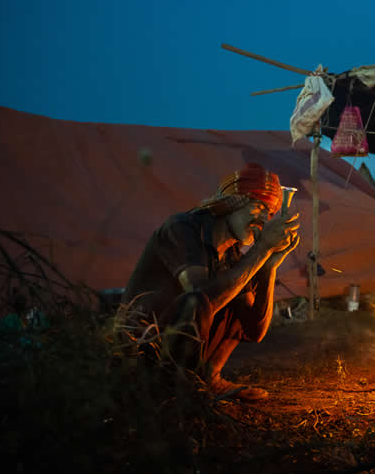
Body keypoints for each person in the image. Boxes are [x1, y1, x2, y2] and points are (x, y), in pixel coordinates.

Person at [121, 163, 300, 400]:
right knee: (198, 300)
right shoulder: (181, 228)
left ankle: (207, 380)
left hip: (177, 355)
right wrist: (262, 248)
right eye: (259, 207)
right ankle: (179, 392)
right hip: (140, 353)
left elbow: (254, 329)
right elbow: (200, 298)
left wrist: (268, 266)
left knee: (235, 287)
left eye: (270, 214)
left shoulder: (232, 255)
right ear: (232, 204)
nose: (264, 220)